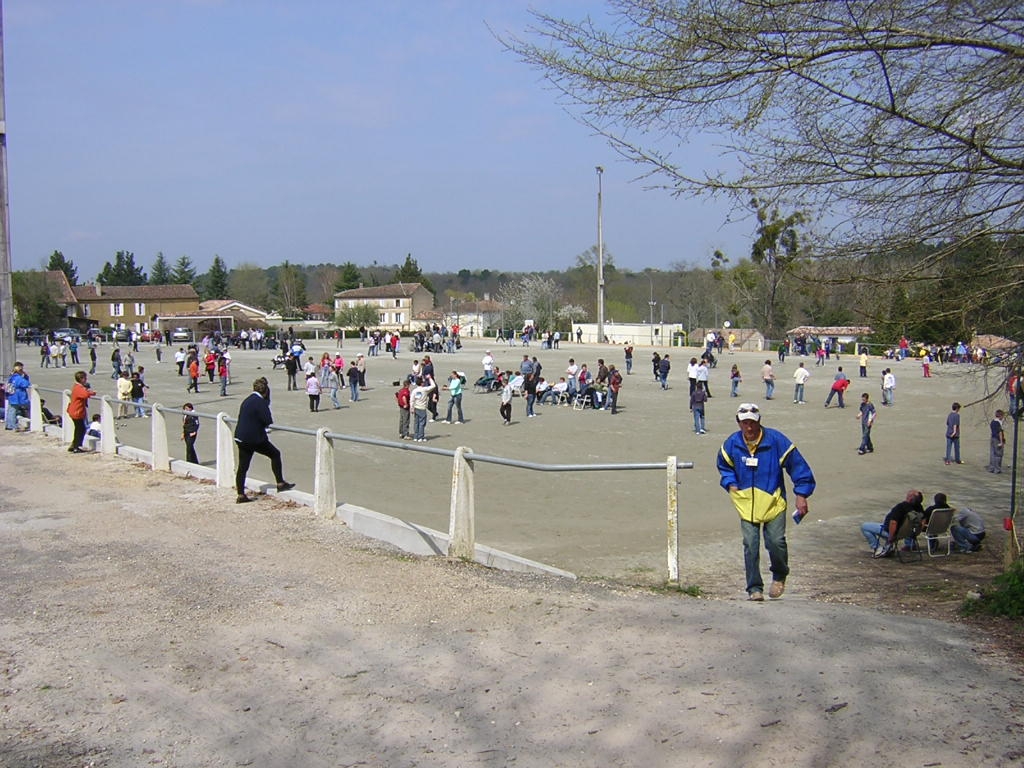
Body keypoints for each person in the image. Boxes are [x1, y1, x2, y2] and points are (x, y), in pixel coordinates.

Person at [717, 403, 816, 600]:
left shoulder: (776, 440)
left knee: (776, 541)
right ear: (738, 423)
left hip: (773, 501)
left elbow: (798, 466)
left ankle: (780, 575)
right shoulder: (732, 443)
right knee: (750, 544)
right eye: (745, 423)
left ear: (759, 421)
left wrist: (802, 494)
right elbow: (724, 465)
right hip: (746, 503)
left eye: (752, 423)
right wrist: (730, 483)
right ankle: (754, 588)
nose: (749, 427)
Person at [234, 377, 294, 503]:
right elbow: (268, 420)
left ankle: (240, 494)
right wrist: (267, 403)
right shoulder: (260, 402)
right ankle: (280, 482)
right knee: (275, 454)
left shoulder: (247, 400)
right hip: (254, 438)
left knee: (243, 467)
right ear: (266, 391)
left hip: (240, 437)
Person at [860, 489, 925, 557]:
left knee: (865, 526)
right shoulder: (919, 508)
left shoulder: (900, 507)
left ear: (910, 498)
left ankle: (877, 548)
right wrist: (915, 533)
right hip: (908, 534)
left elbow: (893, 523)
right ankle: (909, 544)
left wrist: (890, 538)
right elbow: (923, 521)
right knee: (908, 524)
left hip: (893, 533)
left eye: (909, 494)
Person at [66, 370, 96, 453]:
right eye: (85, 378)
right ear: (81, 379)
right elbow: (85, 394)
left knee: (79, 429)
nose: (86, 379)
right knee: (81, 429)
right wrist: (92, 393)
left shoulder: (76, 386)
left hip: (74, 410)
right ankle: (76, 446)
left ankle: (74, 445)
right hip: (77, 411)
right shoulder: (79, 388)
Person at [4, 362, 31, 431]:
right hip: (17, 396)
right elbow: (26, 384)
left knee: (11, 410)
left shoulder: (11, 377)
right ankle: (12, 425)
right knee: (13, 410)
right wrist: (26, 376)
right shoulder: (18, 378)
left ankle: (9, 424)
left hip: (12, 396)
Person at [410, 375, 436, 442]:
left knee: (416, 423)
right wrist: (430, 378)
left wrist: (411, 408)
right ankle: (420, 437)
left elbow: (412, 400)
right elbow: (433, 386)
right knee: (422, 423)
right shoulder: (424, 389)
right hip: (422, 408)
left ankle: (416, 437)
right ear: (421, 383)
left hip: (416, 407)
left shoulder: (414, 390)